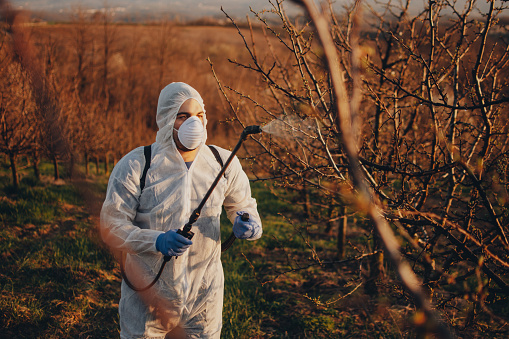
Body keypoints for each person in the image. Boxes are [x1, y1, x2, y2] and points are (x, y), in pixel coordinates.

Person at [100, 82, 262, 339]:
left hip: (204, 296)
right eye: (183, 116)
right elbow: (111, 227)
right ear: (165, 119)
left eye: (198, 116)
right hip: (148, 295)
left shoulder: (223, 162)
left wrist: (248, 221)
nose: (193, 124)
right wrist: (156, 241)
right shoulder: (136, 165)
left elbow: (242, 204)